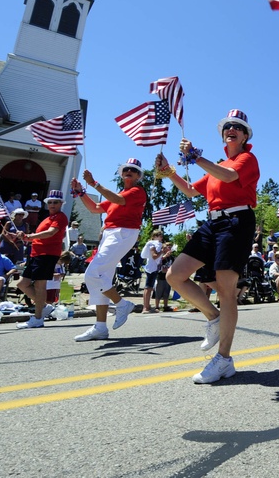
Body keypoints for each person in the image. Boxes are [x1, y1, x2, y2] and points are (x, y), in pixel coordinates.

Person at [161, 108, 260, 384]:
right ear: (222, 134)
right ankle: (213, 317)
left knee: (226, 290)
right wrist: (169, 172)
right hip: (213, 223)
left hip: (237, 222)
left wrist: (196, 157)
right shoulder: (216, 166)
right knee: (175, 275)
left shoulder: (247, 159)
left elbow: (229, 178)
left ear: (244, 135)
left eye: (238, 127)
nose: (232, 129)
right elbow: (192, 190)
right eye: (227, 126)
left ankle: (224, 359)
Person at [70, 160, 146, 340]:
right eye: (126, 169)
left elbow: (118, 200)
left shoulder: (137, 191)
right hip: (109, 234)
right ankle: (100, 327)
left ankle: (121, 303)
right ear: (122, 174)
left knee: (92, 275)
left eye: (133, 170)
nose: (128, 171)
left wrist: (93, 183)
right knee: (102, 278)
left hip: (122, 232)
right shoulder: (118, 193)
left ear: (138, 176)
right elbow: (95, 209)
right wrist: (81, 192)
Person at [14, 190, 67, 329]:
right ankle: (43, 306)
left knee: (39, 285)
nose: (52, 204)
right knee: (22, 284)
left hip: (47, 254)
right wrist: (25, 237)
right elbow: (39, 236)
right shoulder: (46, 218)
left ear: (61, 203)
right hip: (35, 254)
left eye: (55, 202)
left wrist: (29, 236)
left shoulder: (60, 217)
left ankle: (38, 319)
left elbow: (51, 233)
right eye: (50, 202)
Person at [141, 229, 165, 313]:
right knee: (148, 288)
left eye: (161, 235)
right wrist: (162, 251)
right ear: (154, 236)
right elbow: (154, 256)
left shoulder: (157, 244)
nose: (161, 236)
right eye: (159, 235)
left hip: (154, 267)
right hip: (151, 268)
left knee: (149, 287)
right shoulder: (152, 244)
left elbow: (157, 258)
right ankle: (146, 307)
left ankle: (147, 306)